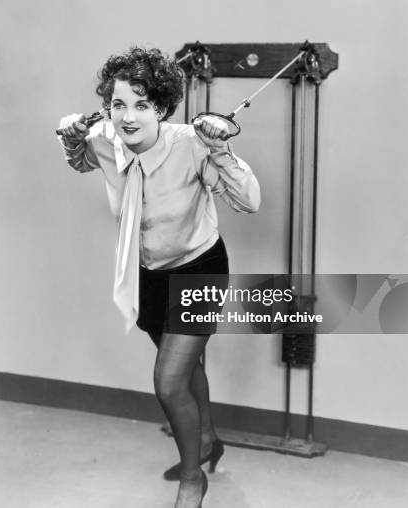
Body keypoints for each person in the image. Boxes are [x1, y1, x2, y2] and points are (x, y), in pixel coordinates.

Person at [57, 47, 260, 508]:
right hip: (144, 270)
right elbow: (81, 160)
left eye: (142, 105)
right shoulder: (105, 139)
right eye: (118, 104)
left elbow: (250, 201)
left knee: (170, 382)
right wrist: (71, 136)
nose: (128, 117)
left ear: (163, 108)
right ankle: (207, 441)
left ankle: (194, 480)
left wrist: (220, 147)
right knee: (188, 369)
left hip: (199, 269)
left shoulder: (191, 143)